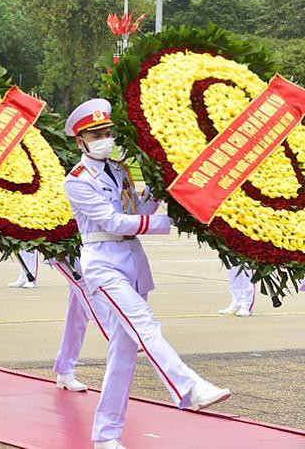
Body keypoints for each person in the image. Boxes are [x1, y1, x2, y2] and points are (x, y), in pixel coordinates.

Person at [63, 98, 230, 449]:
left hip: (132, 263)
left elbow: (135, 208)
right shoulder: (76, 181)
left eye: (107, 132)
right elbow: (113, 221)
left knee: (122, 354)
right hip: (103, 263)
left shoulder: (120, 169)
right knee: (145, 324)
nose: (104, 139)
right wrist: (164, 222)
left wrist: (160, 186)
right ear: (80, 141)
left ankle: (105, 434)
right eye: (96, 134)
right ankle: (188, 388)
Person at [49, 257, 111, 392]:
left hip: (81, 248)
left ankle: (65, 368)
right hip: (59, 247)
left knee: (77, 311)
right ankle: (115, 333)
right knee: (87, 286)